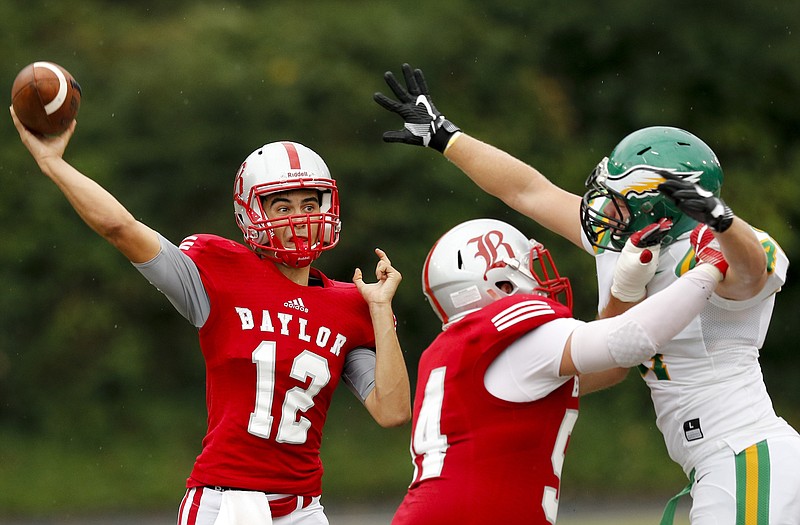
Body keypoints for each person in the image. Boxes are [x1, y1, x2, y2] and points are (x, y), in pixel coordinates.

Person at [374, 63, 800, 524]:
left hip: (744, 448)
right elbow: (526, 191)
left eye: (619, 199)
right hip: (710, 459)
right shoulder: (623, 239)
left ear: (659, 205)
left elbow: (752, 271)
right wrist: (446, 137)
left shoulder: (715, 248)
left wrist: (721, 219)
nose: (602, 209)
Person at [10, 107, 411, 525]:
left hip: (303, 509)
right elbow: (122, 228)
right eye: (282, 206)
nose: (301, 218)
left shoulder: (352, 305)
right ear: (251, 214)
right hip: (228, 505)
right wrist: (52, 163)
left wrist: (381, 310)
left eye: (310, 203)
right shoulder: (218, 274)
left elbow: (393, 411)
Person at [392, 216, 725, 525]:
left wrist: (624, 290)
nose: (539, 279)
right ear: (502, 284)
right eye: (529, 268)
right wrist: (708, 270)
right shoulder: (517, 340)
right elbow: (631, 341)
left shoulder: (452, 352)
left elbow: (611, 367)